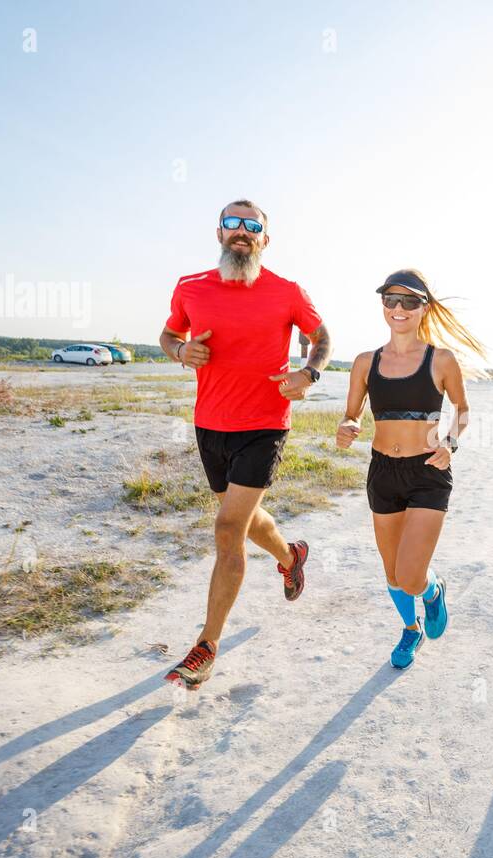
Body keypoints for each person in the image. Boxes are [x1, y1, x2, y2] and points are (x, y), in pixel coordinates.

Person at [160, 199, 333, 689]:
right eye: (232, 224)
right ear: (219, 234)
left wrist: (309, 372)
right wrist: (180, 351)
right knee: (247, 519)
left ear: (264, 239)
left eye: (251, 225)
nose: (242, 231)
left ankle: (206, 646)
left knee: (227, 526)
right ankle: (290, 557)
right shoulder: (190, 287)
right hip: (210, 424)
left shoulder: (287, 291)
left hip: (264, 422)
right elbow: (169, 334)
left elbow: (321, 338)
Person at [337, 269, 486, 669]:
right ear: (382, 303)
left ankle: (433, 591)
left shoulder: (441, 360)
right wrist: (348, 426)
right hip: (383, 473)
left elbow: (463, 411)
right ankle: (410, 629)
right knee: (392, 573)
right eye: (390, 299)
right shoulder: (365, 362)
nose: (398, 308)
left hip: (427, 474)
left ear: (424, 308)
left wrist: (450, 444)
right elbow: (352, 414)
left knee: (411, 576)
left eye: (409, 301)